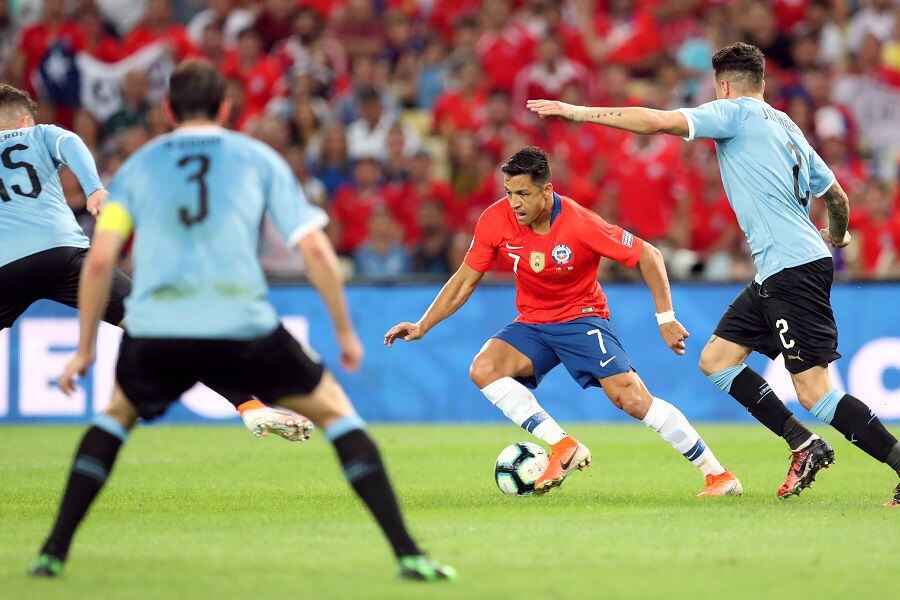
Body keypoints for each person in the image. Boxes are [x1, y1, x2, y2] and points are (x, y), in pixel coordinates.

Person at [28, 61, 455, 581]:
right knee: (337, 414)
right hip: (243, 322)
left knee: (115, 418)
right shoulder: (256, 157)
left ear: (167, 109)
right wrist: (343, 330)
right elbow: (315, 248)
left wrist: (86, 346)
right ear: (227, 108)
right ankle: (408, 552)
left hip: (159, 327)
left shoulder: (138, 166)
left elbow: (98, 261)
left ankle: (52, 551)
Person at [527, 42, 900, 506]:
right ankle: (803, 445)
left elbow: (658, 121)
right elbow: (838, 198)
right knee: (717, 359)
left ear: (724, 86)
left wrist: (578, 111)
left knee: (813, 391)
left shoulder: (735, 113)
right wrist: (838, 237)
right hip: (781, 269)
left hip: (792, 269)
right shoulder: (788, 127)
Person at [385, 146, 740, 497]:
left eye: (523, 193)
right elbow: (465, 279)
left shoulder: (581, 223)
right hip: (532, 324)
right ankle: (563, 446)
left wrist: (665, 318)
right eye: (509, 193)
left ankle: (719, 476)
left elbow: (649, 254)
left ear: (546, 190)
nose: (515, 203)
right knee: (484, 368)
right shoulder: (495, 220)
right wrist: (423, 324)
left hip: (581, 320)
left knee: (632, 400)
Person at [0, 83, 310, 447]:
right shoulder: (41, 133)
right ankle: (250, 405)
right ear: (24, 119)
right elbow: (69, 142)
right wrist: (94, 188)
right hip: (64, 256)